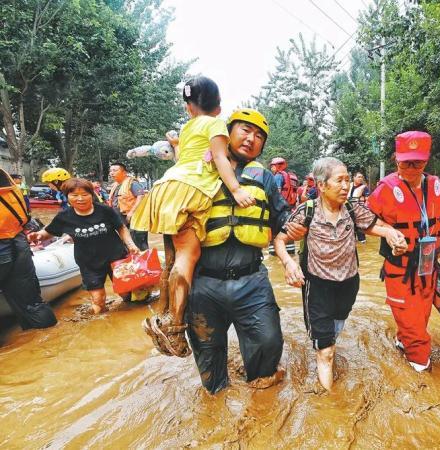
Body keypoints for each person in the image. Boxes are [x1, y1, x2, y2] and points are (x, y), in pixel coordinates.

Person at [132, 76, 254, 358]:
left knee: (173, 257)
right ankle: (174, 327)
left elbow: (184, 159)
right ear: (219, 107)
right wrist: (236, 189)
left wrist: (176, 143)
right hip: (190, 189)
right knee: (188, 254)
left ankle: (162, 314)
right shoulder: (215, 124)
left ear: (188, 107)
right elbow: (220, 157)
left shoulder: (188, 127)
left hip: (166, 186)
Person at [185, 108, 302, 393]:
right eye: (245, 131)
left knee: (269, 343)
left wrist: (294, 226)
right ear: (227, 132)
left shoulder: (264, 177)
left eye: (259, 136)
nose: (251, 139)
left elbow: (281, 215)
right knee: (209, 367)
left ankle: (261, 389)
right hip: (204, 283)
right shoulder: (198, 169)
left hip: (251, 280)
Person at [274, 157, 407, 391]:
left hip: (348, 285)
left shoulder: (353, 209)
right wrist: (289, 262)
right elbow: (280, 240)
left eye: (348, 180)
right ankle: (329, 400)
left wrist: (391, 235)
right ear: (322, 185)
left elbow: (376, 226)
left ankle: (323, 339)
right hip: (317, 287)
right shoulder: (308, 211)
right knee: (326, 352)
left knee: (335, 328)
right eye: (340, 181)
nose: (346, 186)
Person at [367, 131, 440, 372]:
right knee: (417, 333)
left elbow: (439, 220)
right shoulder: (386, 189)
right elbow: (364, 222)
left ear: (427, 160)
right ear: (396, 160)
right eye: (406, 162)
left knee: (421, 318)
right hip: (400, 271)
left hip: (429, 266)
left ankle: (402, 341)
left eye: (418, 162)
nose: (412, 167)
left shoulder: (435, 186)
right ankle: (421, 368)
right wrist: (389, 233)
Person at [28, 178, 140, 314]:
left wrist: (131, 244)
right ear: (67, 196)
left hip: (116, 257)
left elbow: (121, 227)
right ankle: (101, 326)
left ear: (91, 195)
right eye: (74, 195)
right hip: (89, 263)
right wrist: (38, 235)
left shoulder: (104, 210)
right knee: (98, 300)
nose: (80, 199)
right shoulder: (64, 216)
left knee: (127, 295)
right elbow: (49, 232)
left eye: (85, 194)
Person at [0, 168, 57, 330]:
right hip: (18, 243)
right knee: (32, 302)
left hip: (6, 245)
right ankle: (47, 338)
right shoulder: (6, 178)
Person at [107, 163, 148, 250]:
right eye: (110, 171)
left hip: (132, 218)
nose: (111, 173)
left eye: (115, 170)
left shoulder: (132, 183)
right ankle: (131, 261)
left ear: (124, 172)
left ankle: (143, 261)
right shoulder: (116, 185)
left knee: (137, 242)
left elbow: (140, 196)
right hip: (120, 217)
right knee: (125, 241)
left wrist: (131, 212)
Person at [348, 172, 370, 243]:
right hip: (349, 209)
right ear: (354, 178)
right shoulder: (349, 185)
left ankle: (362, 239)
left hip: (359, 209)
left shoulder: (364, 187)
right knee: (350, 224)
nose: (361, 178)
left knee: (360, 224)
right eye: (359, 177)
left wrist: (365, 209)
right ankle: (352, 239)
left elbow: (368, 199)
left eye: (361, 177)